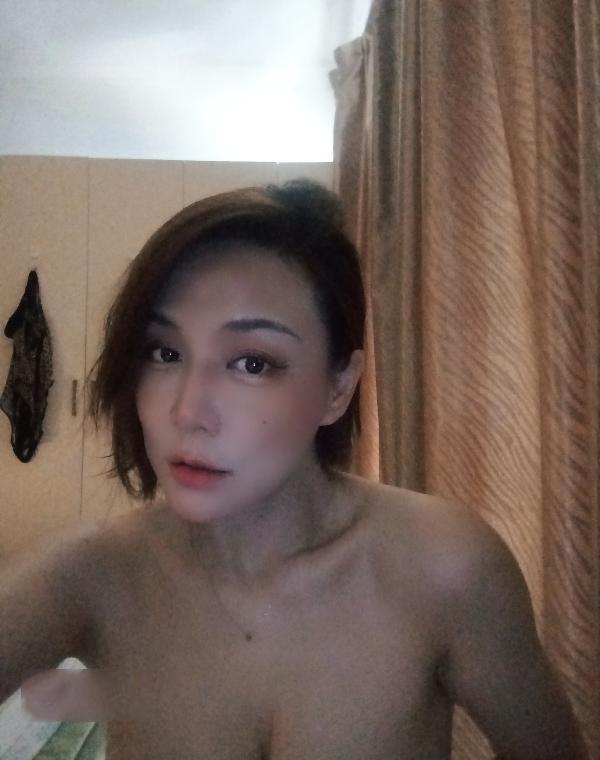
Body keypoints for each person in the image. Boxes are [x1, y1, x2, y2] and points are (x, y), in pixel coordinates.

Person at [2, 179, 589, 758]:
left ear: (338, 388)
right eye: (165, 352)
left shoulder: (445, 566)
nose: (187, 412)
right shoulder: (93, 575)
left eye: (253, 363)